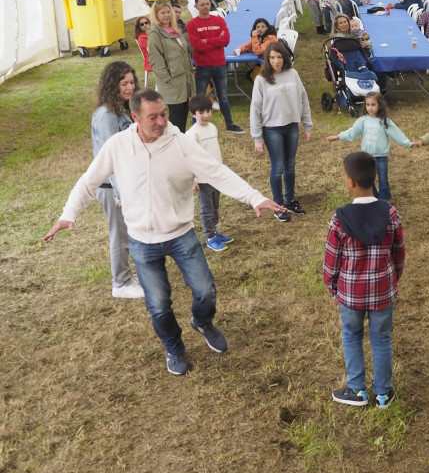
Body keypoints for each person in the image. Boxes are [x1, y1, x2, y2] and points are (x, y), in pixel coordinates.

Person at [43, 88, 284, 375]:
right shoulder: (118, 146)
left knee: (205, 291)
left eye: (164, 115)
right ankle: (174, 348)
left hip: (181, 235)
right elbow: (88, 181)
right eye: (152, 117)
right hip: (142, 243)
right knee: (158, 304)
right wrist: (69, 213)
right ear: (135, 117)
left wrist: (255, 197)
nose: (161, 122)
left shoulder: (181, 144)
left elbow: (217, 172)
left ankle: (203, 322)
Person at [324, 151, 405, 407]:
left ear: (349, 182)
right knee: (381, 338)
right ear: (375, 177)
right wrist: (394, 280)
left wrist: (333, 288)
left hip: (349, 293)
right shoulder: (390, 213)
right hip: (383, 291)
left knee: (351, 335)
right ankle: (383, 393)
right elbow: (399, 253)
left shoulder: (340, 218)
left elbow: (331, 260)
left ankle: (356, 389)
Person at [90, 61, 143, 299]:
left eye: (132, 82)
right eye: (124, 83)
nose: (130, 87)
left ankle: (132, 277)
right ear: (113, 85)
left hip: (127, 182)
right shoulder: (106, 116)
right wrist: (119, 192)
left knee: (131, 232)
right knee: (120, 235)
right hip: (111, 186)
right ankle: (120, 283)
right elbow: (110, 158)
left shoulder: (124, 110)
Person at [250, 41, 313, 221]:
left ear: (284, 58)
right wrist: (257, 137)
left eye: (279, 57)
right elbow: (255, 109)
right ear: (267, 59)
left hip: (291, 126)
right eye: (272, 58)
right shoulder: (262, 80)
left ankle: (290, 200)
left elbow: (303, 98)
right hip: (272, 129)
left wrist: (307, 125)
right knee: (277, 167)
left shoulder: (293, 74)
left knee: (290, 165)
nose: (276, 61)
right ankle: (278, 205)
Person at [326, 92, 412, 200]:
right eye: (368, 105)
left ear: (379, 105)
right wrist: (338, 137)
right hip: (367, 157)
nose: (370, 108)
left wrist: (408, 143)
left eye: (373, 105)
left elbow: (396, 133)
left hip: (381, 157)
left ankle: (384, 201)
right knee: (367, 180)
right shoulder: (363, 120)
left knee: (383, 180)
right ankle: (373, 199)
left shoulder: (384, 121)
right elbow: (352, 132)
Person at [187, 0, 243, 134]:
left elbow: (226, 40)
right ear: (196, 6)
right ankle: (196, 128)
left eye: (207, 3)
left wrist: (206, 40)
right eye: (202, 4)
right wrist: (216, 41)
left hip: (219, 65)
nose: (206, 6)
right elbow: (197, 45)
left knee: (223, 96)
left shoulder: (219, 21)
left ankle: (230, 125)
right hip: (202, 66)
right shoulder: (192, 25)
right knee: (199, 98)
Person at [185, 95, 234, 253]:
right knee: (206, 208)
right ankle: (210, 237)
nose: (206, 115)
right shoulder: (192, 134)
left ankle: (214, 230)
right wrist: (193, 179)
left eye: (208, 111)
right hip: (203, 179)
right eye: (201, 112)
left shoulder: (212, 128)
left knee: (215, 205)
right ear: (193, 114)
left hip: (216, 176)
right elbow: (189, 159)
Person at [147, 0, 194, 133]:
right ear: (156, 15)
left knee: (183, 111)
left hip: (184, 79)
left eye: (168, 12)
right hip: (172, 82)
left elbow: (184, 52)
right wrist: (167, 78)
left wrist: (190, 69)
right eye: (163, 13)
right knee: (176, 115)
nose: (167, 15)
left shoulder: (175, 30)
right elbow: (156, 60)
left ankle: (180, 140)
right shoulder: (155, 35)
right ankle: (173, 143)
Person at [134, 16, 152, 87]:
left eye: (146, 22)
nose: (145, 25)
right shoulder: (141, 37)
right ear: (139, 27)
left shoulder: (150, 33)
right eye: (141, 24)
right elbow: (150, 49)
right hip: (151, 60)